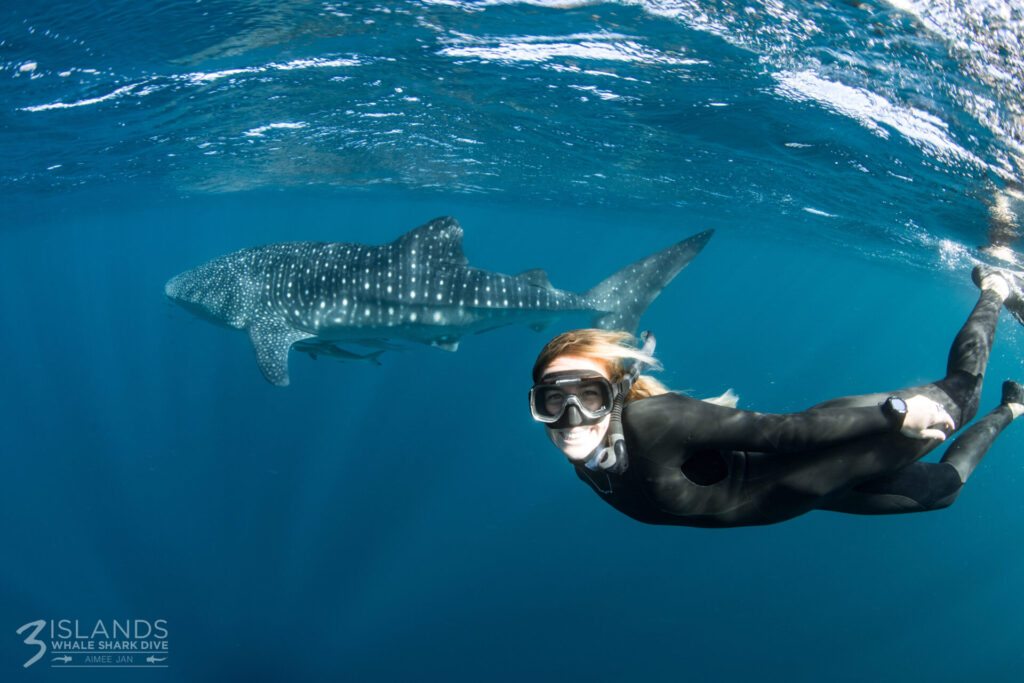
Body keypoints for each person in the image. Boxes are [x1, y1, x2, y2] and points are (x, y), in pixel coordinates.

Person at [528, 266, 1024, 527]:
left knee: (961, 396)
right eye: (552, 401)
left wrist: (896, 415)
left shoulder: (652, 422)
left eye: (588, 395)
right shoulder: (585, 456)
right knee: (946, 492)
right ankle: (1014, 407)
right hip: (822, 493)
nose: (571, 416)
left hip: (846, 441)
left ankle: (996, 286)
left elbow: (781, 432)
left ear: (614, 396)